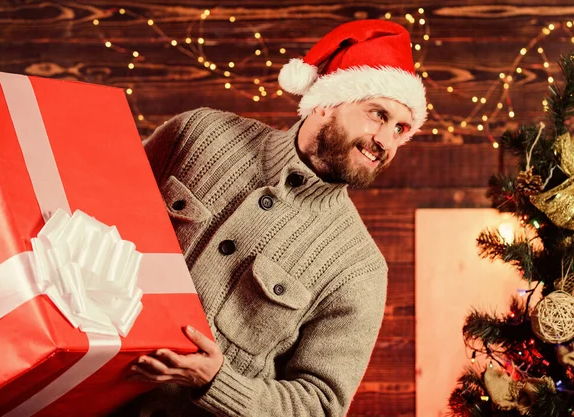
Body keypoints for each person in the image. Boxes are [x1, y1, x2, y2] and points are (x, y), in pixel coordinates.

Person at [117, 19, 427, 417]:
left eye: (401, 128)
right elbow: (104, 202)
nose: (385, 140)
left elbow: (320, 406)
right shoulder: (200, 133)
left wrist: (216, 381)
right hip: (66, 392)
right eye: (377, 114)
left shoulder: (359, 270)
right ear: (325, 103)